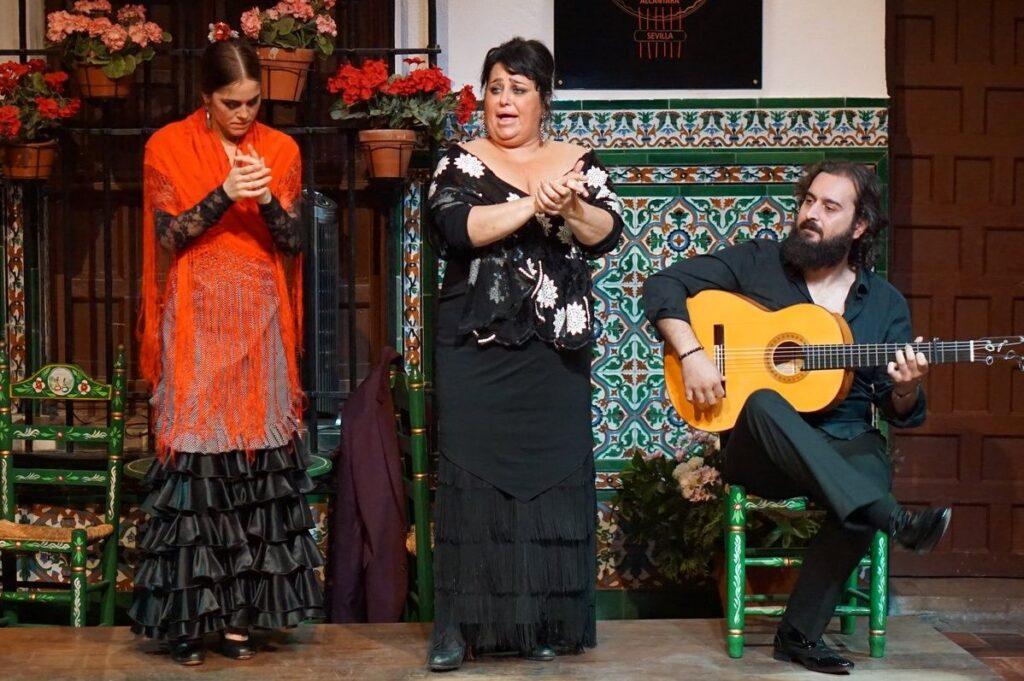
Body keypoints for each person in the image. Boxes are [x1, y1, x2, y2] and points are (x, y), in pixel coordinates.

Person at [643, 161, 951, 675]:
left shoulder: (884, 304)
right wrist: (692, 350)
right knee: (764, 400)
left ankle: (797, 635)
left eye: (830, 207)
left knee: (863, 474)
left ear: (859, 227)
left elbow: (898, 410)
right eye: (809, 200)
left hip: (846, 437)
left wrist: (905, 387)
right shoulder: (760, 262)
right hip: (762, 449)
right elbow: (661, 286)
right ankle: (892, 519)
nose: (811, 214)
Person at [425, 37, 624, 672]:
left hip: (553, 356)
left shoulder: (578, 164)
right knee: (474, 483)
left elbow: (606, 234)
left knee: (549, 482)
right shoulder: (457, 161)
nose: (504, 100)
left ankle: (542, 623)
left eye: (519, 88)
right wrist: (532, 204)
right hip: (477, 353)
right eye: (495, 87)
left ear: (544, 99)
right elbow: (459, 229)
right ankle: (458, 629)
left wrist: (572, 207)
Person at [130, 38, 323, 666]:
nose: (243, 114)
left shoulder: (281, 150)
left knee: (255, 473)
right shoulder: (166, 146)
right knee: (195, 469)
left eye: (252, 102)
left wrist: (265, 197)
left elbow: (294, 243)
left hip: (260, 322)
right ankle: (189, 623)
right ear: (204, 99)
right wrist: (223, 190)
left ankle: (241, 621)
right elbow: (168, 232)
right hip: (195, 319)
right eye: (230, 103)